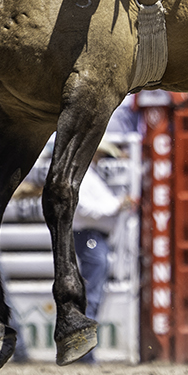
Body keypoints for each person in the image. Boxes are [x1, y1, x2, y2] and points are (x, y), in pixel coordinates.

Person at [73, 140, 133, 363]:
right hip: (90, 235)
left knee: (93, 291)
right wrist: (115, 206)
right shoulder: (83, 176)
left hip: (93, 235)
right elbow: (83, 208)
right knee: (92, 292)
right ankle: (84, 351)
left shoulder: (87, 175)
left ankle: (83, 349)